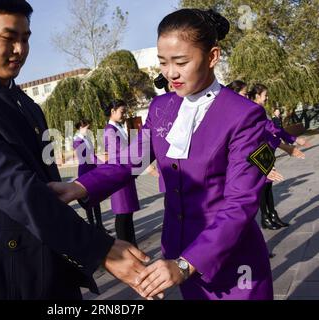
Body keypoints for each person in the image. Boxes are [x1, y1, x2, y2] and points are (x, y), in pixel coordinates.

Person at [49, 8, 277, 300]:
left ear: (213, 56)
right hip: (177, 254)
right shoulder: (162, 108)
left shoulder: (245, 116)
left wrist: (186, 264)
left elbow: (240, 203)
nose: (170, 73)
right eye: (163, 62)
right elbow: (129, 162)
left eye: (181, 62)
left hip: (230, 261)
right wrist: (77, 187)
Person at [0, 0, 148, 300]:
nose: (20, 49)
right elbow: (17, 188)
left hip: (56, 267)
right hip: (10, 277)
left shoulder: (28, 105)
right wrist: (100, 249)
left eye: (25, 39)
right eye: (9, 38)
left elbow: (49, 184)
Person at [248, 83, 310, 229]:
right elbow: (272, 130)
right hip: (257, 155)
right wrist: (292, 142)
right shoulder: (252, 111)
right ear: (257, 96)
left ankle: (272, 214)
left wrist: (290, 143)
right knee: (263, 187)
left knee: (268, 186)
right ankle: (265, 217)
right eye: (265, 95)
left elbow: (272, 132)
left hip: (266, 153)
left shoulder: (259, 110)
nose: (267, 98)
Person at [102, 100, 140, 246]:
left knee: (127, 214)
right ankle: (126, 247)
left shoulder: (117, 128)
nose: (124, 115)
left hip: (125, 173)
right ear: (113, 111)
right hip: (119, 174)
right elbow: (120, 153)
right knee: (122, 213)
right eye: (122, 112)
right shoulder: (109, 130)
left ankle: (132, 245)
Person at [73, 119, 106, 231]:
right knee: (88, 201)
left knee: (96, 199)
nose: (88, 130)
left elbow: (93, 154)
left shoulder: (86, 139)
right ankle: (92, 228)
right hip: (85, 171)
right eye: (87, 128)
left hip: (92, 169)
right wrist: (103, 165)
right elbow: (89, 156)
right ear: (81, 128)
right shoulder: (77, 141)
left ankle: (100, 225)